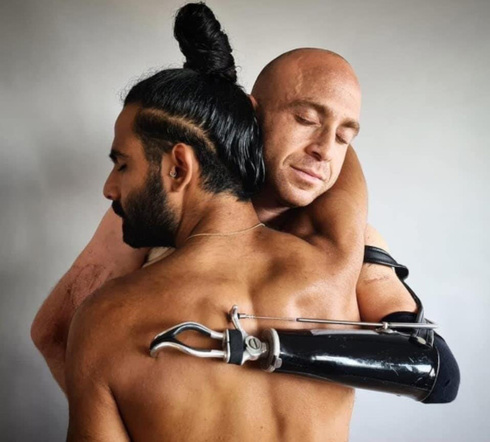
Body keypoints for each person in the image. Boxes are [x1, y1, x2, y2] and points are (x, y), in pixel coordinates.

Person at [31, 1, 428, 400]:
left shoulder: (352, 244)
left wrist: (259, 349)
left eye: (344, 137)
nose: (325, 149)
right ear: (252, 115)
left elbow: (430, 364)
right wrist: (121, 418)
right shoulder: (160, 204)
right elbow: (54, 332)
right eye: (306, 120)